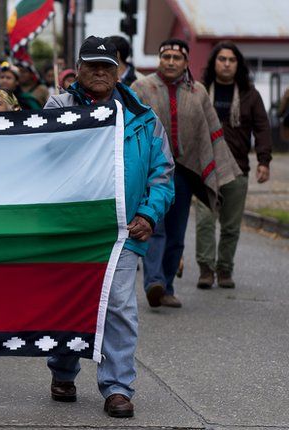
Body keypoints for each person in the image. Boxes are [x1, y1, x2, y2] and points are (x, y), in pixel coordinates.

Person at [43, 35, 174, 419]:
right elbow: (39, 157)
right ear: (78, 69)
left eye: (107, 66)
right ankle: (63, 371)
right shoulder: (57, 108)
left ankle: (117, 387)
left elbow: (163, 174)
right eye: (91, 66)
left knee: (118, 306)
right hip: (71, 229)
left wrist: (148, 215)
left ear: (119, 71)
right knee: (70, 303)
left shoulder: (143, 118)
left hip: (123, 231)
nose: (99, 72)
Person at [131, 39, 240, 309]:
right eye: (165, 56)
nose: (170, 61)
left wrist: (221, 169)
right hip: (150, 172)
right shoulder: (141, 88)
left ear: (186, 62)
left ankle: (167, 286)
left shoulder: (198, 91)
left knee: (177, 233)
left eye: (176, 58)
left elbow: (210, 131)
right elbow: (128, 126)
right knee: (154, 226)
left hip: (184, 172)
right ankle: (153, 282)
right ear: (159, 58)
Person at [194, 41, 272, 289]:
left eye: (231, 60)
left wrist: (264, 161)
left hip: (237, 167)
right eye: (221, 59)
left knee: (230, 225)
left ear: (238, 64)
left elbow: (262, 128)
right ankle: (206, 269)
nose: (226, 64)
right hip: (206, 168)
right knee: (205, 220)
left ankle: (225, 270)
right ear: (214, 62)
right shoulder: (200, 91)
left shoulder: (250, 94)